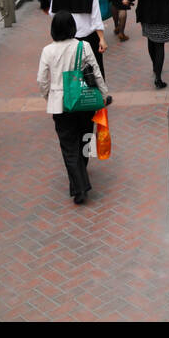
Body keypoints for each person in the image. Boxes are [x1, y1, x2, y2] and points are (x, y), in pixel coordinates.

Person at [37, 11, 109, 205]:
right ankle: (81, 176)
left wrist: (49, 97)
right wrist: (103, 95)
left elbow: (42, 80)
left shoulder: (48, 51)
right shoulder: (83, 46)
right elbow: (96, 73)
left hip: (61, 104)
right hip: (84, 100)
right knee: (86, 138)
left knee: (68, 145)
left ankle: (79, 186)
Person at [50, 0, 107, 79]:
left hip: (66, 37)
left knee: (70, 71)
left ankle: (73, 96)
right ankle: (98, 97)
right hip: (89, 38)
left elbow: (53, 13)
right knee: (95, 69)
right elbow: (96, 16)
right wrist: (102, 39)